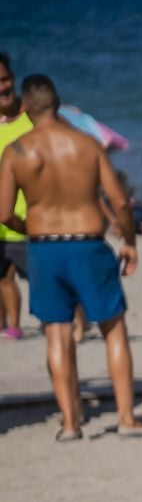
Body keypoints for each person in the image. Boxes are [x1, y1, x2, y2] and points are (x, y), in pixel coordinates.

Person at [0, 73, 142, 441]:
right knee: (113, 329)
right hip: (87, 243)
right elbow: (119, 201)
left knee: (57, 334)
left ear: (25, 107)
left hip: (44, 248)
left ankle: (70, 424)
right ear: (57, 102)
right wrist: (129, 242)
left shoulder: (17, 151)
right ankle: (126, 418)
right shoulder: (87, 144)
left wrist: (31, 227)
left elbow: (4, 213)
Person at [0, 53, 29, 340]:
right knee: (3, 279)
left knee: (48, 280)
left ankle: (78, 325)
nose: (2, 87)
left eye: (6, 79)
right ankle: (12, 326)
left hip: (29, 221)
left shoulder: (32, 116)